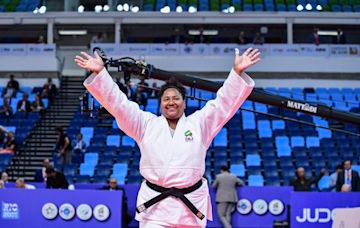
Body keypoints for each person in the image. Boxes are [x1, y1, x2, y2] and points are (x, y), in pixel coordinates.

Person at [75, 46, 260, 227]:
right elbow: (119, 105)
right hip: (156, 206)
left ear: (184, 103)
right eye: (166, 99)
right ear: (160, 104)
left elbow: (223, 105)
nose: (171, 102)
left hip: (191, 204)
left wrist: (236, 73)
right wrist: (101, 74)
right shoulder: (145, 124)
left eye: (176, 98)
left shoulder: (200, 124)